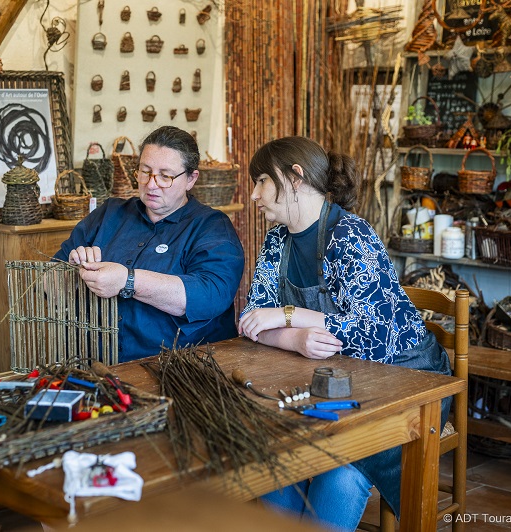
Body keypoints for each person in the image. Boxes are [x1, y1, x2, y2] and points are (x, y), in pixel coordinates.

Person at [238, 136, 452, 531]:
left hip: (408, 380)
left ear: (295, 178)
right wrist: (295, 338)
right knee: (270, 462)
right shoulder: (278, 241)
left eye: (262, 182)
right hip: (335, 380)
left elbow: (373, 334)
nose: (254, 195)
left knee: (338, 474)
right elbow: (252, 319)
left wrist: (290, 313)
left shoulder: (350, 234)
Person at [54, 126, 244, 362]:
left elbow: (211, 294)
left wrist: (128, 279)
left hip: (182, 369)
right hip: (99, 366)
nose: (151, 184)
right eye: (145, 171)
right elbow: (45, 284)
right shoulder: (109, 215)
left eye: (165, 176)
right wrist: (73, 270)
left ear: (191, 179)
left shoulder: (211, 227)